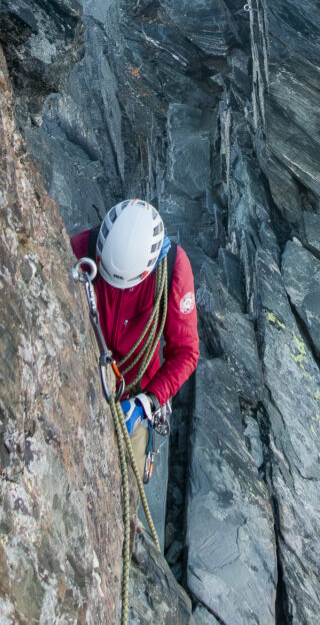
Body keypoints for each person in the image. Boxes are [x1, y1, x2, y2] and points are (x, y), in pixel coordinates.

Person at [70, 198, 199, 487]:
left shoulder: (172, 270)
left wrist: (149, 401)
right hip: (85, 381)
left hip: (137, 396)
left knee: (126, 484)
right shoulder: (82, 250)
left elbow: (186, 352)